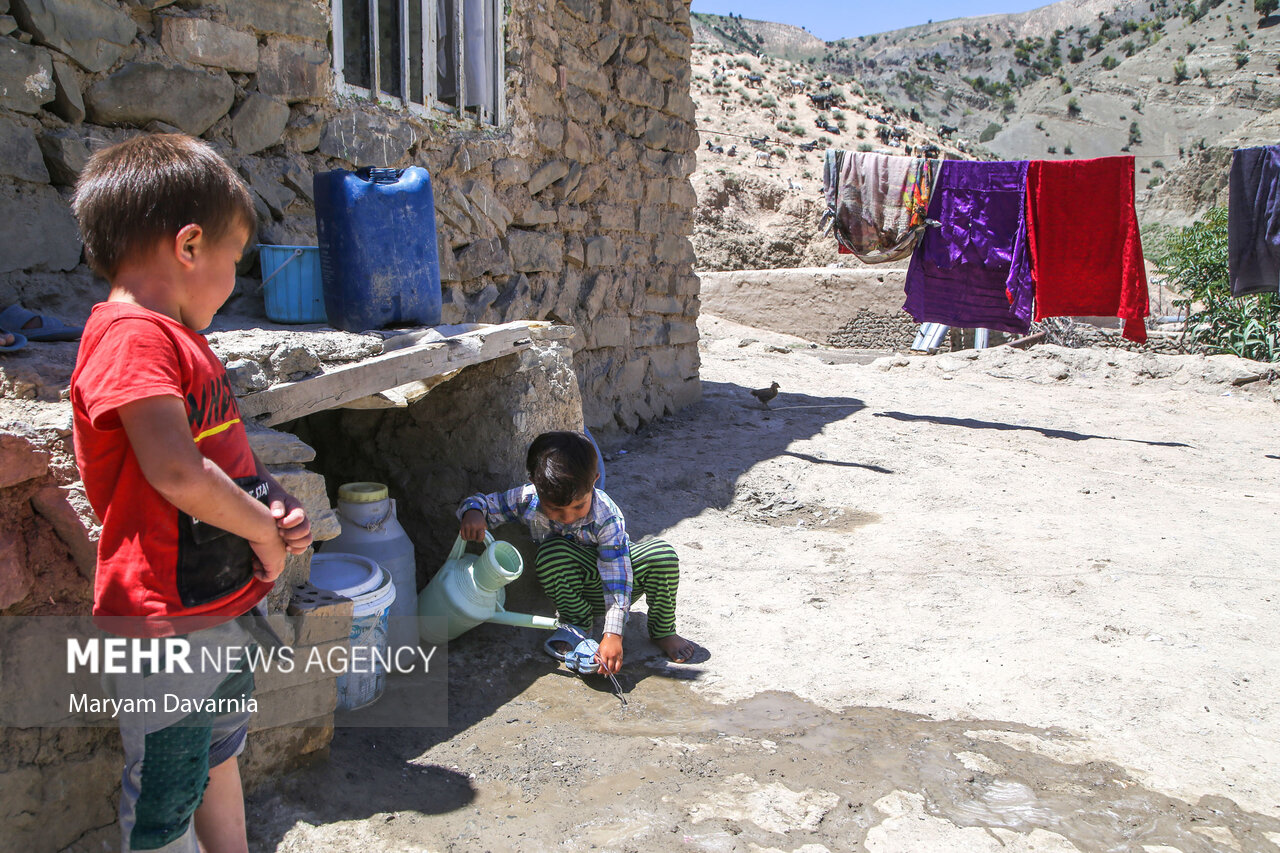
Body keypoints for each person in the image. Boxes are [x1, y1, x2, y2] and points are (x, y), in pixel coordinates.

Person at [68, 133, 313, 853]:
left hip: (219, 604)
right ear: (189, 246)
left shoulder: (181, 341)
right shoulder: (131, 337)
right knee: (167, 792)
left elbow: (222, 453)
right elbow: (176, 472)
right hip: (167, 621)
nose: (233, 281)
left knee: (217, 751)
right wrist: (264, 535)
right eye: (234, 261)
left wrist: (270, 499)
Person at [457, 431, 696, 673]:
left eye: (579, 506)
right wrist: (474, 512)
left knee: (662, 554)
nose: (569, 517)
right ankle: (576, 625)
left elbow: (618, 577)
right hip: (573, 592)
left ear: (595, 480)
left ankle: (663, 631)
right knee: (553, 552)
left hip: (617, 582)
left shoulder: (606, 516)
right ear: (534, 484)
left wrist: (613, 634)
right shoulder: (527, 499)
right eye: (555, 510)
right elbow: (485, 503)